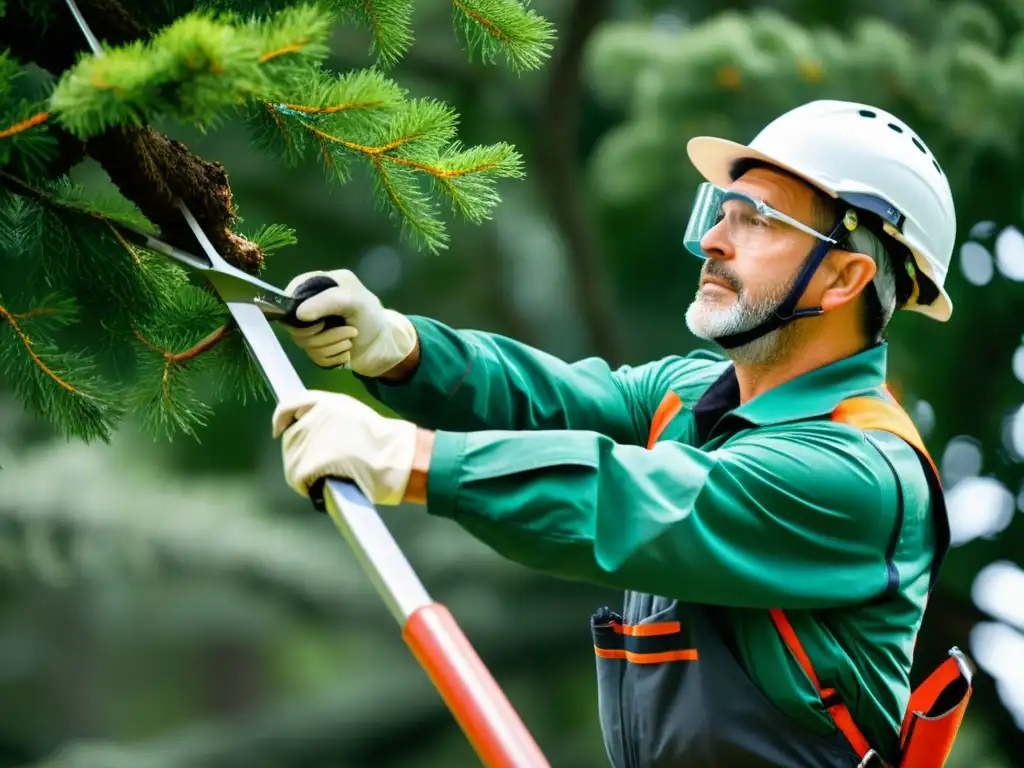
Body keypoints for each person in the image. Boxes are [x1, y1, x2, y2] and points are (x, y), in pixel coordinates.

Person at [270, 100, 971, 768]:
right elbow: (550, 397)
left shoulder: (861, 473)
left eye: (756, 221)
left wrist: (406, 458)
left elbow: (628, 499)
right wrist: (395, 345)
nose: (714, 242)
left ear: (846, 277)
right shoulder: (692, 397)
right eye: (719, 213)